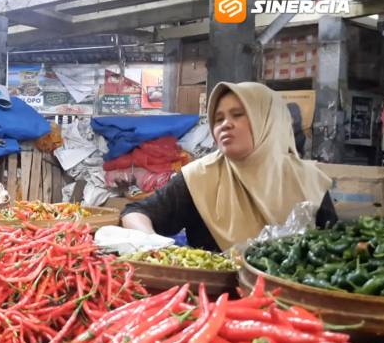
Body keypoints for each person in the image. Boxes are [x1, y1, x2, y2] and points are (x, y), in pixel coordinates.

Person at [121, 82, 338, 252]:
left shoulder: (308, 181)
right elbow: (136, 212)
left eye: (238, 115)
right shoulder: (201, 176)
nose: (225, 124)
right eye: (218, 118)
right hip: (215, 304)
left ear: (268, 120)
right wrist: (150, 242)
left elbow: (333, 248)